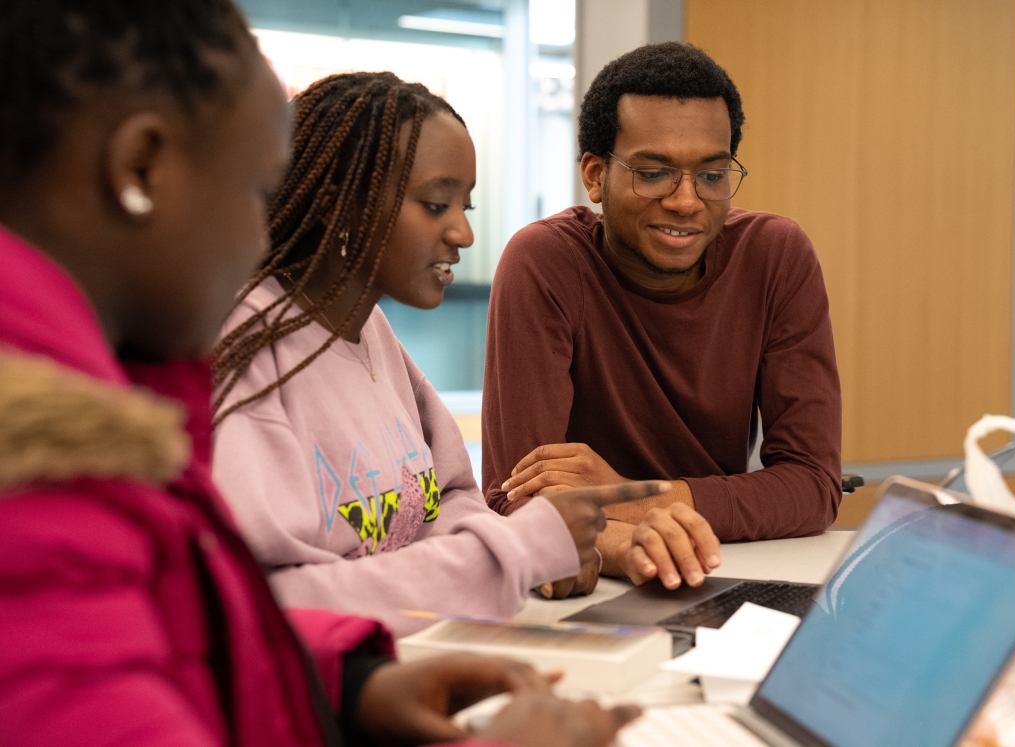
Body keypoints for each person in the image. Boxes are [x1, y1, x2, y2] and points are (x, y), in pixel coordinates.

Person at [0, 2, 642, 745]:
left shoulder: (111, 410)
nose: (265, 234)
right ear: (140, 168)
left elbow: (192, 628)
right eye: (257, 192)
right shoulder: (44, 478)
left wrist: (348, 681)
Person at [209, 71, 660, 621]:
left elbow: (445, 501)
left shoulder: (369, 327)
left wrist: (522, 550)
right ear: (342, 204)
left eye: (464, 208)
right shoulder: (248, 347)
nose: (463, 234)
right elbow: (271, 604)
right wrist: (514, 552)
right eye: (434, 204)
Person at [483, 43, 843, 586]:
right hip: (595, 583)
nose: (686, 201)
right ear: (596, 174)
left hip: (717, 566)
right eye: (653, 173)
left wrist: (633, 495)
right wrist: (632, 542)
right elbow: (519, 499)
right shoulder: (544, 262)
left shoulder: (776, 256)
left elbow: (814, 486)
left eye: (712, 176)